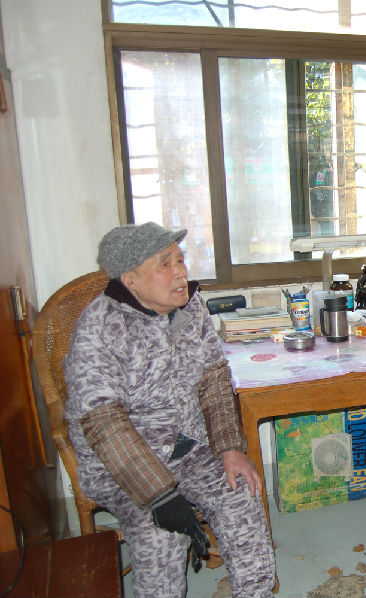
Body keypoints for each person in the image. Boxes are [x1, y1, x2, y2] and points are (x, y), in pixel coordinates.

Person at [64, 222, 276, 598]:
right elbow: (103, 423)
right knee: (161, 535)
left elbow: (213, 379)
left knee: (241, 492)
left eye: (180, 259)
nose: (180, 272)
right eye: (165, 264)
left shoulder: (191, 308)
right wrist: (160, 495)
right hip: (124, 466)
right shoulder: (99, 328)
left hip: (191, 448)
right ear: (130, 279)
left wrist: (230, 448)